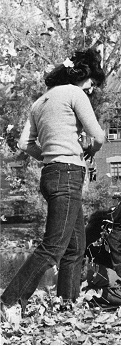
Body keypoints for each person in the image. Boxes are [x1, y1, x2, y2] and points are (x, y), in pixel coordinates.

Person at [1, 48, 106, 321]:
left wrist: (49, 155)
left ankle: (66, 306)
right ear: (84, 77)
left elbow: (24, 143)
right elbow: (99, 135)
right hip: (69, 173)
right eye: (92, 84)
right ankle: (9, 301)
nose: (92, 90)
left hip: (50, 175)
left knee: (75, 247)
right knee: (54, 245)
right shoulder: (75, 94)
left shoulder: (39, 102)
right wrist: (90, 150)